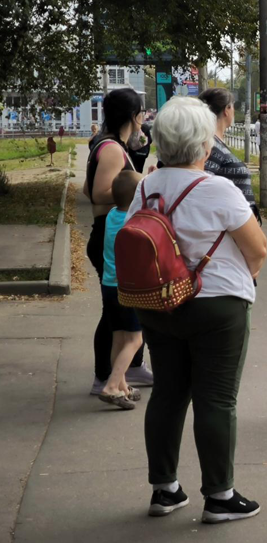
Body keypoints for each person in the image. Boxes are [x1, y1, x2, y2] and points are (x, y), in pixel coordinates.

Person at [127, 97, 267, 524]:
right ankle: (220, 496)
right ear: (204, 145)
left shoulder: (146, 187)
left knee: (169, 393)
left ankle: (164, 489)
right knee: (216, 400)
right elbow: (257, 250)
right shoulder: (218, 188)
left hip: (158, 304)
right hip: (217, 307)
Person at [83, 88, 152, 395]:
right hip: (108, 235)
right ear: (134, 116)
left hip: (107, 233)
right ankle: (105, 375)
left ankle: (127, 370)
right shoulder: (111, 148)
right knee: (115, 311)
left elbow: (87, 188)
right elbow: (97, 193)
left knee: (118, 309)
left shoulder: (107, 143)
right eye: (141, 113)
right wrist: (138, 189)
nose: (143, 119)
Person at [97, 170, 145, 410]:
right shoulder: (133, 221)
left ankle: (122, 387)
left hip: (108, 286)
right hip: (127, 288)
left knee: (118, 338)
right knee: (136, 339)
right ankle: (112, 386)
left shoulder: (112, 216)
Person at [197, 89, 260, 223]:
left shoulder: (216, 143)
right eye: (233, 107)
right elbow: (203, 188)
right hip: (229, 227)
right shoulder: (211, 146)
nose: (234, 112)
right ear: (227, 110)